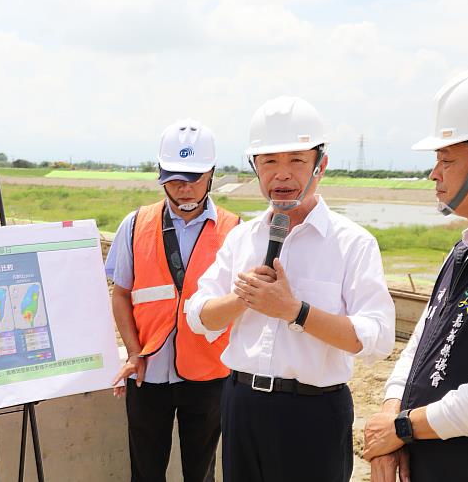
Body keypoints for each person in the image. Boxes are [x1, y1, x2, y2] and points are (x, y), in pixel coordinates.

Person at [185, 96, 395, 482]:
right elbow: (198, 315)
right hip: (240, 403)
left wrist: (295, 311)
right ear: (255, 167)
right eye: (269, 162)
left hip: (313, 411)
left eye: (297, 160)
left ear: (321, 164)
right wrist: (242, 300)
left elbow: (378, 339)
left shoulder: (353, 243)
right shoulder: (241, 238)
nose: (282, 175)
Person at [363, 65, 468, 482]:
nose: (435, 174)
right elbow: (424, 340)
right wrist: (391, 409)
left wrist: (401, 428)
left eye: (446, 159)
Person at [106, 119, 240, 482]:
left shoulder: (235, 230)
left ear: (211, 172)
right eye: (173, 179)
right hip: (148, 375)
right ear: (160, 173)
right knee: (145, 474)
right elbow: (120, 294)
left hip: (210, 375)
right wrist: (134, 352)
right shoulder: (135, 224)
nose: (183, 189)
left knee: (202, 474)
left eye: (193, 178)